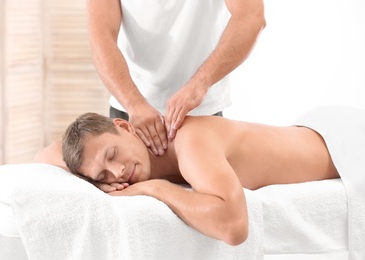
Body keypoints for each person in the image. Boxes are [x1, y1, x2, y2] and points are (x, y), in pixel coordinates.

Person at [33, 112, 339, 246]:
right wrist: (97, 176)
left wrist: (154, 189)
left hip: (344, 146)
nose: (117, 173)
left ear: (125, 127)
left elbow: (234, 228)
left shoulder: (189, 141)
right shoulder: (127, 155)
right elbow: (44, 155)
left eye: (113, 155)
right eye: (103, 175)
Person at [86, 0, 266, 156]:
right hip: (131, 110)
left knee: (204, 189)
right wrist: (134, 104)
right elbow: (101, 37)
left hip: (200, 109)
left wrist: (199, 84)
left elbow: (251, 17)